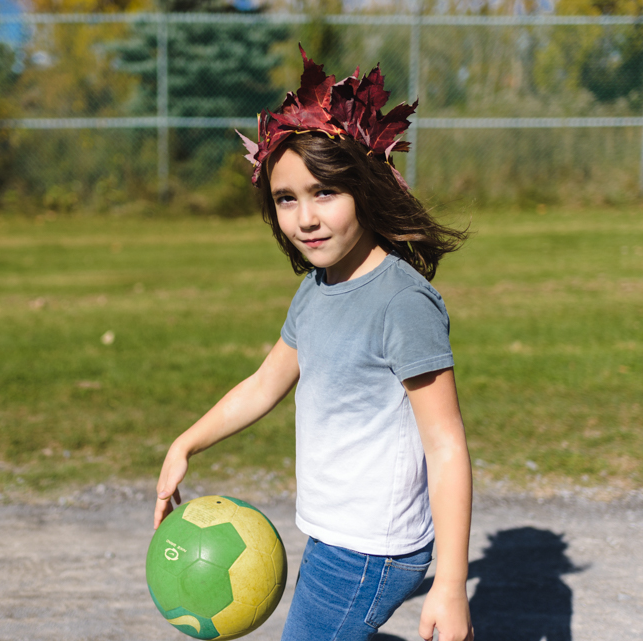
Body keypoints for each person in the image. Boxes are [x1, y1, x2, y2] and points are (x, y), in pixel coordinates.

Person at [153, 45, 474, 641]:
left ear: (367, 188)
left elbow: (447, 444)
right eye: (286, 198)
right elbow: (264, 383)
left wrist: (451, 585)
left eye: (324, 192)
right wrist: (186, 442)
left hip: (371, 548)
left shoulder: (401, 302)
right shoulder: (317, 290)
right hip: (338, 535)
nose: (305, 218)